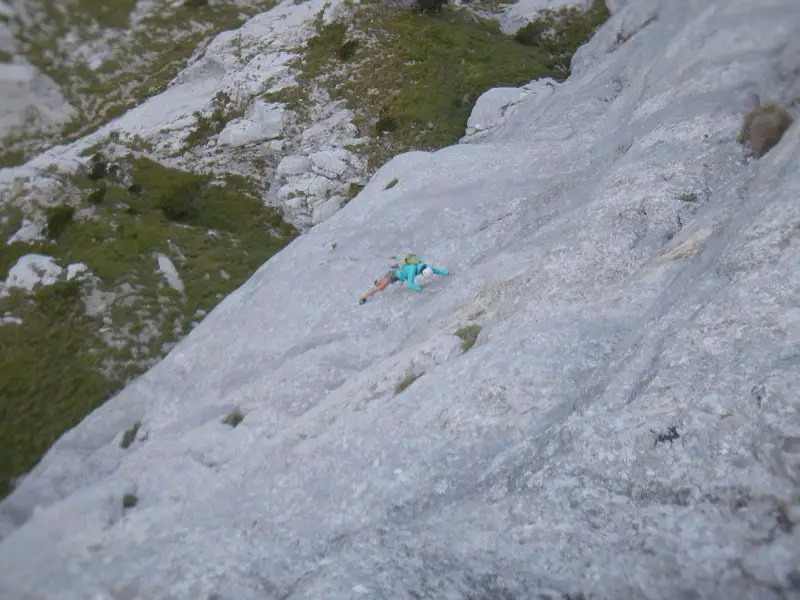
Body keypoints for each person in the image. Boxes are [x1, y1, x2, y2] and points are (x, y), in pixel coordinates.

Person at [359, 255, 450, 304]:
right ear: (422, 273)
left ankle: (379, 280)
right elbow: (410, 283)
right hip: (394, 275)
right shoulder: (412, 269)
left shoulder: (425, 266)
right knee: (381, 287)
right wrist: (420, 290)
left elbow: (437, 270)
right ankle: (365, 297)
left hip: (401, 277)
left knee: (382, 285)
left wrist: (447, 273)